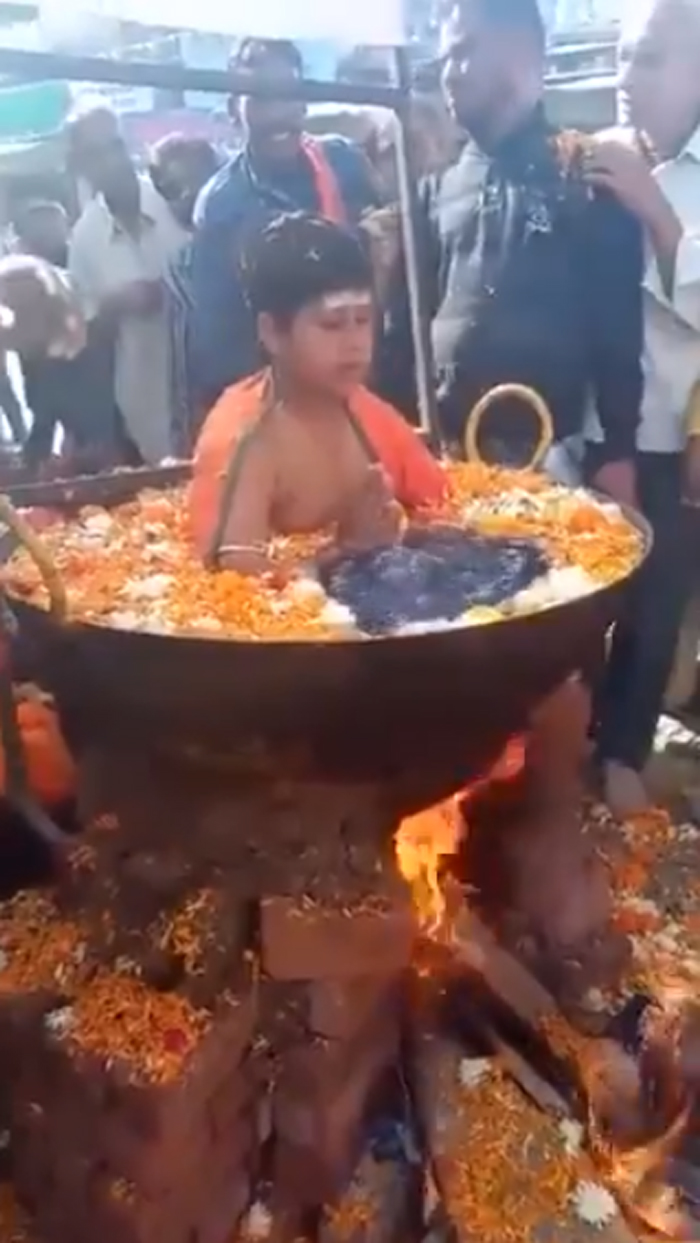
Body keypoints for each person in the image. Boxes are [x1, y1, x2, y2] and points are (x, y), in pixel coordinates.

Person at [377, 0, 643, 507]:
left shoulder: (582, 175)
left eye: (463, 53)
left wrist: (619, 453)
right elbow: (400, 336)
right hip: (446, 470)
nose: (449, 76)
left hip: (553, 471)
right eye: (445, 60)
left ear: (521, 55)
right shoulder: (434, 191)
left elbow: (618, 331)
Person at [581, 0, 700, 817]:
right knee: (616, 603)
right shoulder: (597, 159)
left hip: (687, 433)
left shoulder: (667, 185)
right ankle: (597, 752)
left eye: (652, 58)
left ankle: (637, 755)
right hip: (616, 430)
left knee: (667, 603)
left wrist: (658, 216)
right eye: (624, 57)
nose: (628, 77)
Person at [188, 212, 445, 573]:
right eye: (332, 324)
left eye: (363, 320)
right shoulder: (247, 442)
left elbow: (444, 510)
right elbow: (233, 586)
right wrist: (347, 552)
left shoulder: (370, 416)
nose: (355, 343)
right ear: (273, 333)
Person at [189, 38, 381, 413]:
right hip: (288, 410)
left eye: (288, 95)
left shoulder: (345, 164)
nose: (278, 113)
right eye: (260, 99)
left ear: (305, 101)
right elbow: (222, 347)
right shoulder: (221, 206)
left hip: (368, 393)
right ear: (234, 110)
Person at [66, 104, 188, 467]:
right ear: (81, 166)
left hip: (209, 393)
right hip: (144, 411)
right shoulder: (85, 240)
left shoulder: (178, 203)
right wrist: (113, 306)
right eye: (95, 153)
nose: (110, 161)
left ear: (129, 145)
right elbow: (85, 340)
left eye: (114, 146)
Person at [11, 199, 121, 472]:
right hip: (47, 379)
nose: (47, 241)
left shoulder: (82, 267)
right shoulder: (24, 278)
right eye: (38, 236)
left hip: (92, 377)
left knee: (98, 448)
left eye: (52, 232)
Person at [149, 135, 221, 457]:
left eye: (198, 181)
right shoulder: (179, 263)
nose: (188, 196)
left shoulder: (254, 246)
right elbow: (182, 360)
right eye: (173, 189)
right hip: (205, 422)